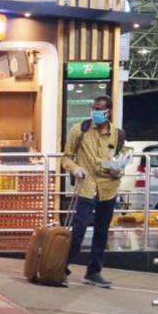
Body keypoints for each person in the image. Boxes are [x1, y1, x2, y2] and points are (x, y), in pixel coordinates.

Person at [61, 95, 124, 289]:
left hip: (108, 188)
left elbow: (120, 161)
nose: (95, 112)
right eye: (94, 107)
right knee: (79, 228)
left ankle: (94, 271)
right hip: (87, 187)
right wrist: (75, 169)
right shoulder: (79, 130)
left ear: (108, 111)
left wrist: (118, 169)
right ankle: (61, 268)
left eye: (99, 109)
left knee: (102, 232)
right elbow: (66, 158)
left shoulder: (118, 134)